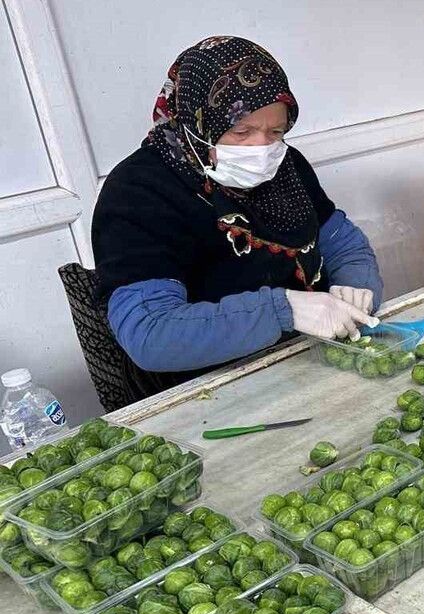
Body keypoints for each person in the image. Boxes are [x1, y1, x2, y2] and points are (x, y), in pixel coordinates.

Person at [92, 36, 382, 398]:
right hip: (206, 392)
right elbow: (150, 332)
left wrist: (357, 286)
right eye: (241, 131)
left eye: (275, 132)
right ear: (198, 122)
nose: (261, 148)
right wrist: (283, 310)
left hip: (308, 364)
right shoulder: (138, 191)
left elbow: (343, 242)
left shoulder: (287, 166)